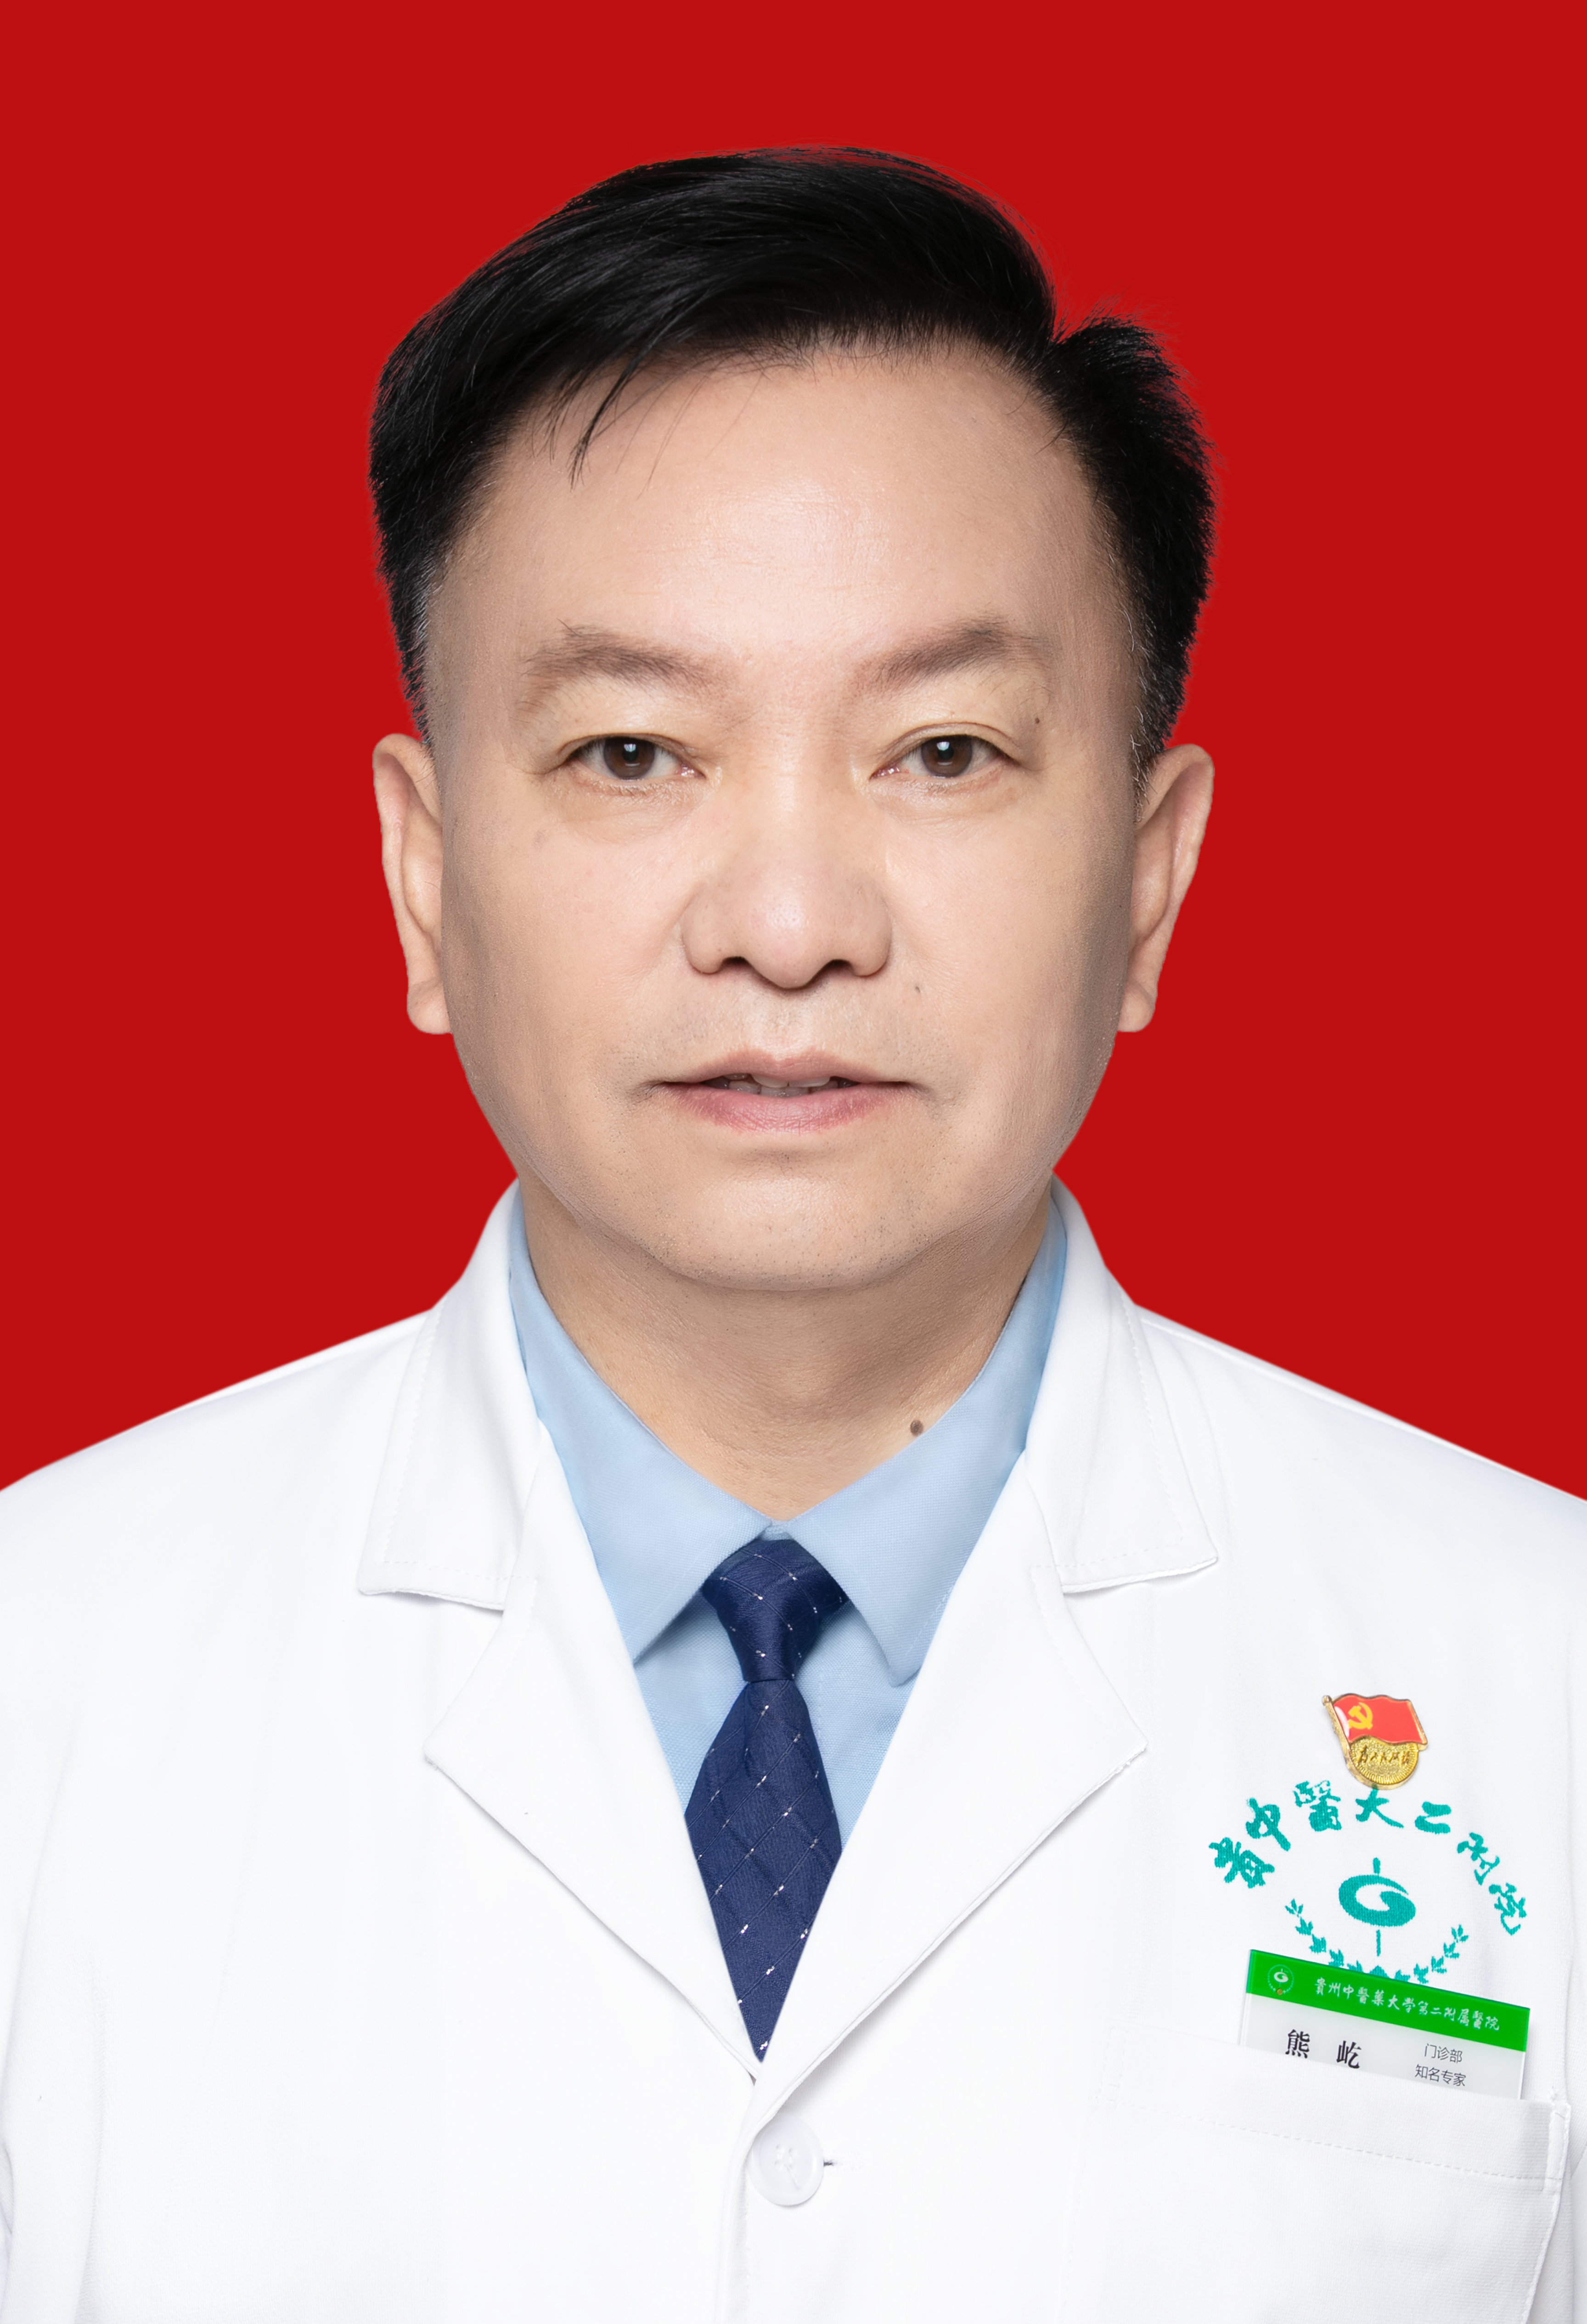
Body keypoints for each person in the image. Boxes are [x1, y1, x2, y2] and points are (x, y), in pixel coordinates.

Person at [0, 149, 1581, 2324]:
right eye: (630, 751)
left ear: (1148, 877)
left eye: (944, 750)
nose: (789, 923)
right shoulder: (49, 1671)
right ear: (422, 878)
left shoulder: (1538, 1676)